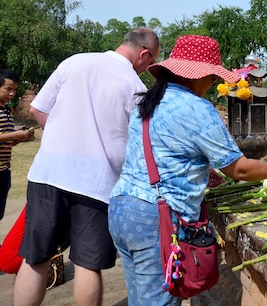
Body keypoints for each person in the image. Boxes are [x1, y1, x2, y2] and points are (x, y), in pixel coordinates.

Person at [108, 34, 267, 305]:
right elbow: (239, 170)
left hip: (122, 209)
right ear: (197, 76)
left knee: (140, 299)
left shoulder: (148, 102)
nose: (213, 84)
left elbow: (159, 155)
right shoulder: (196, 108)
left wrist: (199, 173)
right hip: (156, 219)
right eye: (213, 78)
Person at [14, 27, 160, 306]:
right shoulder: (136, 88)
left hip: (49, 174)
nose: (147, 68)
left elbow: (37, 109)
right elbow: (141, 143)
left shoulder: (74, 61)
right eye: (151, 62)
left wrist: (62, 136)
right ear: (144, 53)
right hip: (98, 183)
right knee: (86, 264)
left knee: (35, 257)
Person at [0, 69, 34, 222]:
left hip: (4, 170)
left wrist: (21, 137)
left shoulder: (6, 111)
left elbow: (6, 142)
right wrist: (14, 134)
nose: (12, 93)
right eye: (8, 89)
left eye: (14, 89)